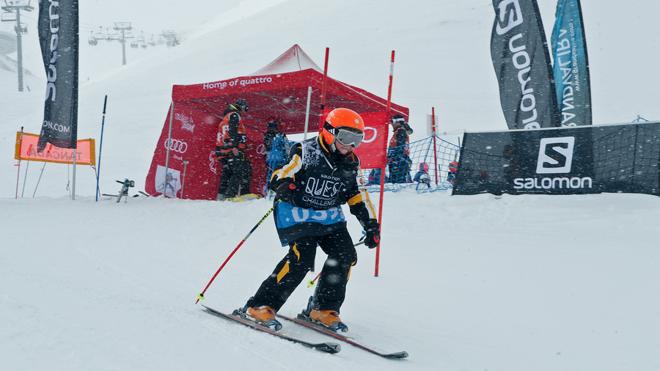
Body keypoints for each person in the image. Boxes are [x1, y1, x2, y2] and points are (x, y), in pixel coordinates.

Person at [240, 107, 380, 332]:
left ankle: (323, 308)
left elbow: (357, 194)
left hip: (327, 216)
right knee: (301, 259)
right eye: (345, 137)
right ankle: (260, 305)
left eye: (357, 140)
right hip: (297, 212)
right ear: (329, 132)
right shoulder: (306, 150)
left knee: (345, 255)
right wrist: (283, 185)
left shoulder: (351, 162)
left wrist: (370, 224)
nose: (350, 145)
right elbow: (282, 172)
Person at [216, 98, 252, 200]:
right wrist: (235, 146)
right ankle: (230, 196)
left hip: (224, 150)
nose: (244, 112)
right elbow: (233, 131)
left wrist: (243, 145)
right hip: (231, 150)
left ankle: (221, 197)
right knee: (238, 173)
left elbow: (226, 133)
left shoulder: (225, 117)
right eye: (245, 108)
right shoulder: (234, 115)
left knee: (226, 174)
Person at [387, 114, 413, 183]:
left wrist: (395, 161)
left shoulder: (400, 131)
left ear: (397, 122)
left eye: (392, 121)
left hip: (398, 163)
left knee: (397, 184)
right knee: (399, 183)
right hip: (400, 161)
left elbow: (400, 148)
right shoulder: (400, 131)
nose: (391, 124)